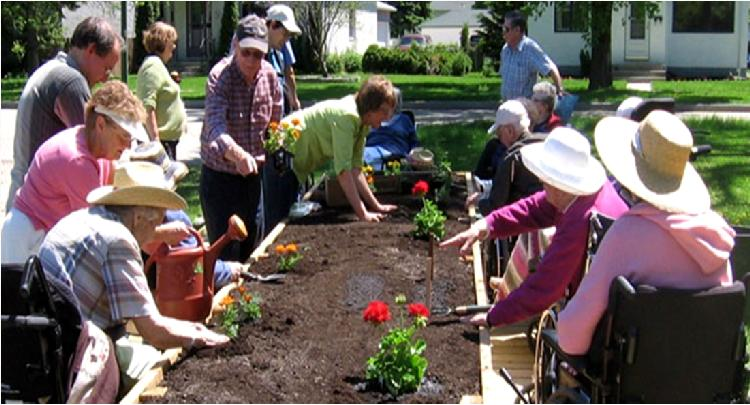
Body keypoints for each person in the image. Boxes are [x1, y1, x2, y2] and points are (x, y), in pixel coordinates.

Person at [557, 110, 736, 355]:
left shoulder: (628, 234)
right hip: (708, 384)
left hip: (634, 387)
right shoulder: (717, 237)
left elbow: (571, 339)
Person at [38, 162, 230, 390]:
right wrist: (198, 335)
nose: (157, 231)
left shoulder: (84, 218)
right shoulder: (118, 240)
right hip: (75, 356)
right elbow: (153, 331)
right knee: (161, 372)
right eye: (158, 222)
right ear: (139, 218)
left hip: (43, 344)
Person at [440, 127, 629, 327]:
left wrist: (493, 317)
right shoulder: (577, 194)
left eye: (545, 177)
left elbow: (545, 288)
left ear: (559, 182)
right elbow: (534, 208)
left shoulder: (579, 221)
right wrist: (485, 225)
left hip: (605, 313)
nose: (540, 180)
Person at [1, 81, 149, 265]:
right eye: (124, 136)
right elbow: (98, 228)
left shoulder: (101, 153)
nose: (127, 146)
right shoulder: (77, 161)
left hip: (45, 236)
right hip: (27, 239)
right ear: (101, 125)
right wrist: (154, 233)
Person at [6, 17, 123, 211]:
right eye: (106, 68)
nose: (105, 78)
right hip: (39, 211)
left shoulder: (53, 69)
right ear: (91, 50)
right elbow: (95, 146)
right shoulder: (71, 81)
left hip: (24, 201)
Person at [200, 14, 282, 262]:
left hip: (253, 179)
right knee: (224, 254)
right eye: (246, 52)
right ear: (236, 45)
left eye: (258, 55)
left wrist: (276, 139)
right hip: (220, 178)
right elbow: (215, 126)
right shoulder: (219, 77)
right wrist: (238, 155)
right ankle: (219, 299)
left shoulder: (269, 76)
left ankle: (248, 299)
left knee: (253, 247)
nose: (251, 60)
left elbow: (276, 119)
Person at [271, 75, 399, 225]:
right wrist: (363, 214)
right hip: (283, 154)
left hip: (297, 161)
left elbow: (356, 168)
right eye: (384, 112)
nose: (388, 117)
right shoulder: (346, 117)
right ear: (371, 108)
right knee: (277, 216)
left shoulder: (362, 122)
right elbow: (343, 171)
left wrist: (376, 206)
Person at [130, 141, 243, 289]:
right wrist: (228, 270)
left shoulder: (127, 216)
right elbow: (196, 268)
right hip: (177, 297)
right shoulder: (172, 217)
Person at [467, 100, 542, 216]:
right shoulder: (545, 145)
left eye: (499, 133)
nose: (499, 139)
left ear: (510, 131)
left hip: (527, 222)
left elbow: (495, 207)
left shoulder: (512, 159)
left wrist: (479, 202)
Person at [136, 21, 186, 160]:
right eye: (172, 41)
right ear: (163, 41)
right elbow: (148, 106)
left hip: (167, 142)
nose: (174, 46)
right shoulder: (152, 66)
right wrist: (156, 143)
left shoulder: (158, 65)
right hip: (160, 143)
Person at [500, 10, 564, 101]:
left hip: (525, 109)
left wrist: (559, 91)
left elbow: (551, 68)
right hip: (507, 107)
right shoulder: (505, 50)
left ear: (517, 30)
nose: (503, 32)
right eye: (503, 28)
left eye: (506, 29)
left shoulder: (530, 48)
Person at [363, 87, 419, 171]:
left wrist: (413, 153)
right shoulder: (374, 117)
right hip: (370, 151)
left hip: (395, 152)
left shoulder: (404, 119)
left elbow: (414, 142)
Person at [266, 4, 303, 115]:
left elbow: (288, 73)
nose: (286, 40)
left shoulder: (278, 56)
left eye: (289, 35)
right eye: (285, 33)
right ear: (272, 25)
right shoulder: (252, 56)